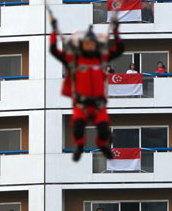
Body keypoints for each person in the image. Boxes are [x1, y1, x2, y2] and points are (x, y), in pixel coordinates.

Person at [49, 10, 123, 161]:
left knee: (103, 130)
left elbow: (119, 49)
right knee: (78, 128)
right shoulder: (74, 60)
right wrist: (54, 32)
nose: (89, 46)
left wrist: (116, 31)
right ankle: (80, 146)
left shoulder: (101, 58)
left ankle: (102, 145)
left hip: (98, 105)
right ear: (82, 44)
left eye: (92, 43)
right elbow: (53, 50)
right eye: (87, 43)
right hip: (81, 104)